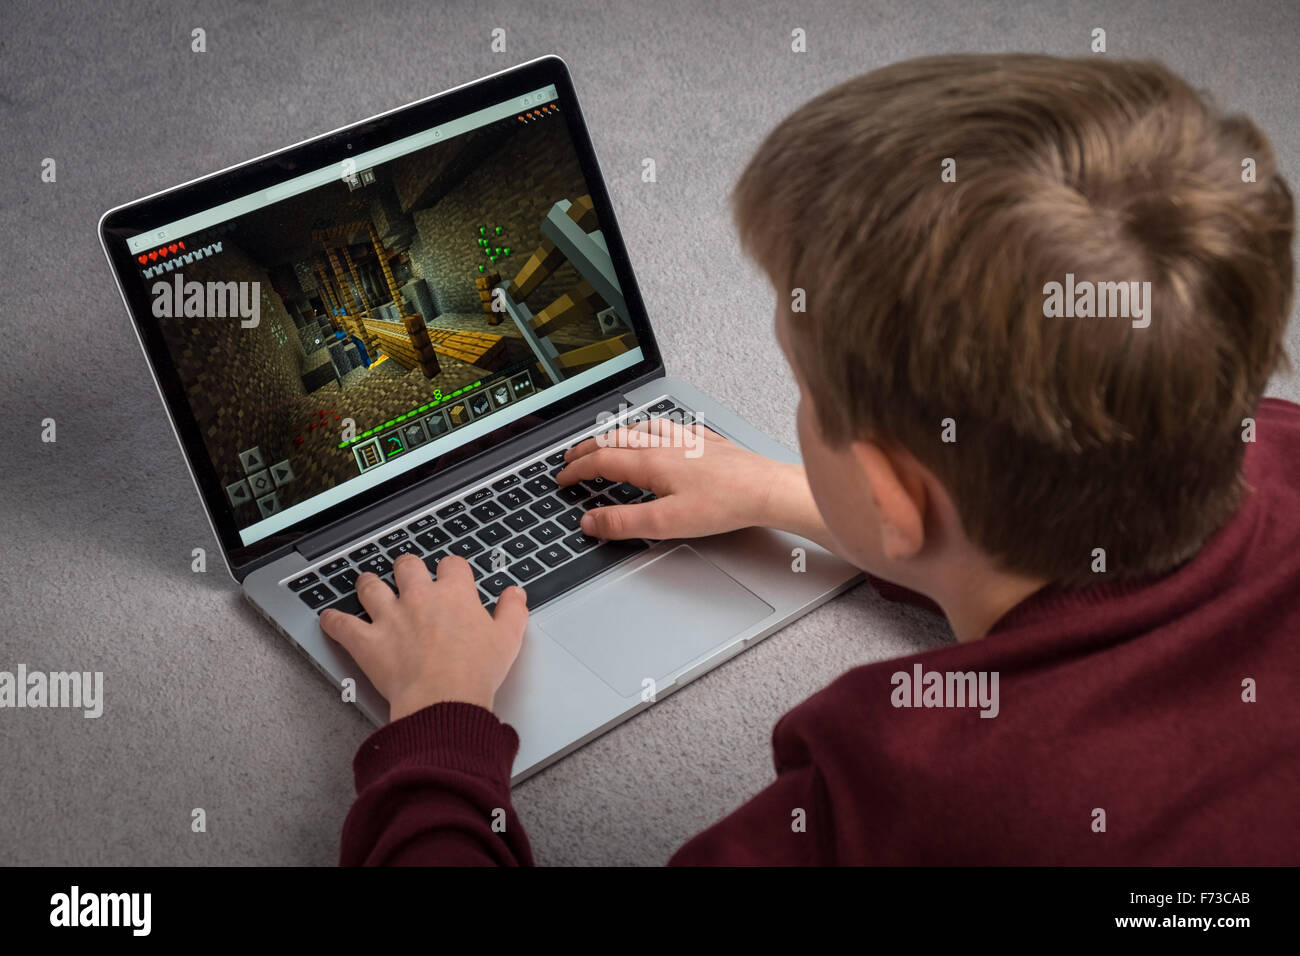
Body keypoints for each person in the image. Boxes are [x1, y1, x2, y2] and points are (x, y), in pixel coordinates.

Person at [321, 53, 1298, 865]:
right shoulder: (1279, 439)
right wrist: (786, 494)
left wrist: (437, 722)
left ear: (892, 491)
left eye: (798, 391)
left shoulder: (914, 799)